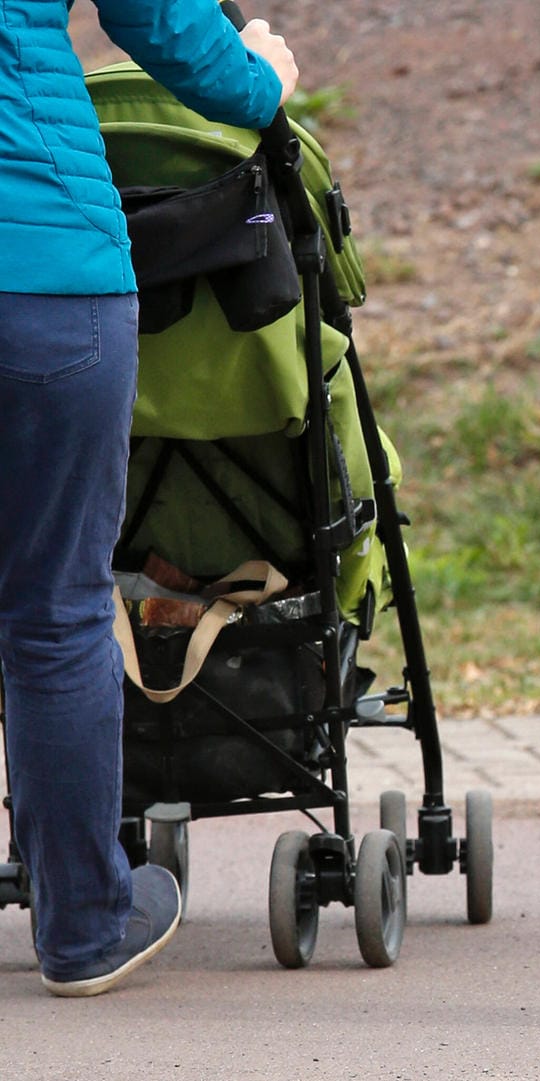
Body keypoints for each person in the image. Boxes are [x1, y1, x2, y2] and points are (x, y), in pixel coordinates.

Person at [1, 0, 297, 996]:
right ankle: (84, 928)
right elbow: (166, 25)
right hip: (47, 272)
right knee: (54, 611)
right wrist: (261, 76)